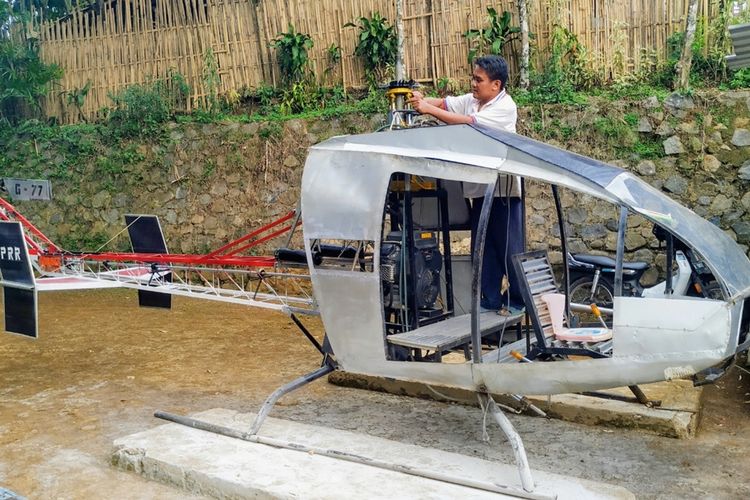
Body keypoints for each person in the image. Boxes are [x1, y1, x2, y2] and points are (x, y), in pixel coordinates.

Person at [408, 55, 524, 313]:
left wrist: (428, 110)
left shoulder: (504, 106)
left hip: (503, 192)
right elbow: (447, 104)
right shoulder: (474, 100)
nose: (473, 83)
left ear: (496, 85)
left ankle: (519, 301)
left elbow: (469, 124)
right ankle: (490, 300)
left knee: (510, 249)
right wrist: (420, 100)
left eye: (478, 80)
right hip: (481, 190)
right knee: (482, 251)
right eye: (473, 77)